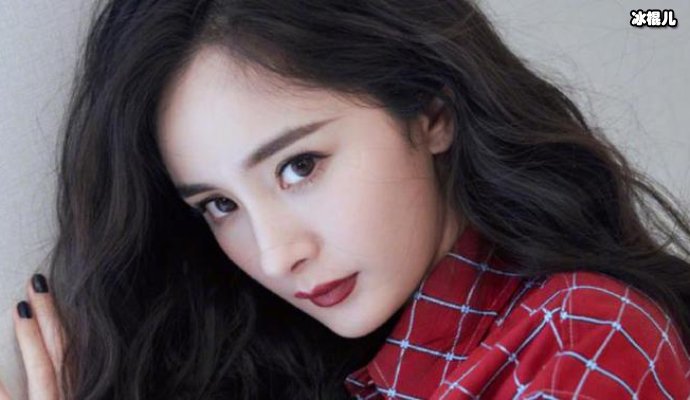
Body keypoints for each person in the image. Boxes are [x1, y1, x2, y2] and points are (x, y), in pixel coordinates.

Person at [2, 0, 690, 399]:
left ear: (431, 113)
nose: (276, 256)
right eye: (219, 205)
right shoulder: (333, 366)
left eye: (299, 166)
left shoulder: (582, 337)